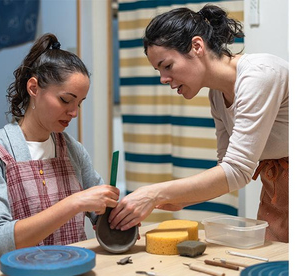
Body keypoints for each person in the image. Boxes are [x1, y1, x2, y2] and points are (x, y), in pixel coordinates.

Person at [109, 5, 288, 242]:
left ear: (197, 46)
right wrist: (180, 198)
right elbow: (226, 166)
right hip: (279, 188)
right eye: (158, 70)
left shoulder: (259, 75)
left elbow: (237, 171)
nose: (163, 79)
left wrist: (153, 193)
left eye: (167, 66)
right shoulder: (217, 94)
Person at [0, 33, 120, 262]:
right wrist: (74, 202)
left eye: (79, 103)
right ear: (34, 88)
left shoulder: (72, 150)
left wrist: (119, 215)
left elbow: (103, 217)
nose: (74, 112)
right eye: (66, 100)